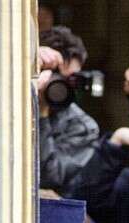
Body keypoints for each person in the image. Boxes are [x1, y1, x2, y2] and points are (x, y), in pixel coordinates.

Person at [38, 26, 99, 194]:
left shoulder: (82, 126)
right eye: (54, 75)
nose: (59, 86)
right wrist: (29, 57)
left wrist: (42, 113)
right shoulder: (6, 100)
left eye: (69, 80)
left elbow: (48, 178)